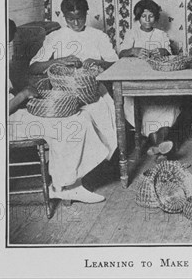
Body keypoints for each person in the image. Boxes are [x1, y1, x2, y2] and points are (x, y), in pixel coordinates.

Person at [8, 18, 115, 204]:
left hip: (15, 113)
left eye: (9, 42)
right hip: (4, 125)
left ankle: (65, 184)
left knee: (79, 117)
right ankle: (66, 187)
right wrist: (24, 94)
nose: (9, 47)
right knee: (71, 125)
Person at [28, 0, 119, 199]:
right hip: (63, 94)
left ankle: (80, 175)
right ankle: (71, 181)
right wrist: (58, 61)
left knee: (99, 116)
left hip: (93, 91)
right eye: (71, 19)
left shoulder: (98, 36)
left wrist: (97, 61)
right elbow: (34, 67)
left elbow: (115, 63)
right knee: (74, 124)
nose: (76, 23)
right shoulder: (55, 37)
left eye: (80, 18)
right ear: (64, 17)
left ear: (87, 14)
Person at [118, 0, 181, 159]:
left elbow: (168, 53)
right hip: (137, 81)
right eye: (143, 16)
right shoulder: (132, 33)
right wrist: (134, 50)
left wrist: (160, 51)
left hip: (157, 81)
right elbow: (121, 54)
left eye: (151, 16)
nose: (147, 19)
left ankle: (159, 146)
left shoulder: (160, 34)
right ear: (138, 17)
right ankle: (160, 147)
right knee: (142, 108)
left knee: (165, 106)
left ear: (156, 18)